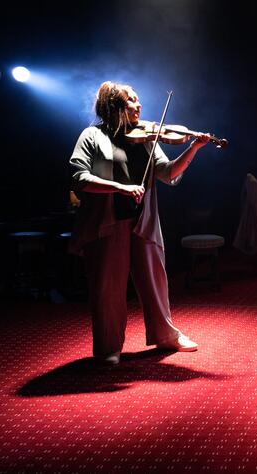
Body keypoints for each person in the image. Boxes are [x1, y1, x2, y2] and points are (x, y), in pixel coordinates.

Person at [69, 81, 210, 366]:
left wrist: (194, 148)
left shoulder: (145, 137)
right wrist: (119, 188)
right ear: (114, 107)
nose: (139, 105)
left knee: (155, 279)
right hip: (108, 222)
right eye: (132, 100)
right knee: (108, 287)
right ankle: (109, 347)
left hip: (142, 218)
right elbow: (78, 178)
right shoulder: (92, 136)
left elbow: (168, 173)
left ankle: (165, 334)